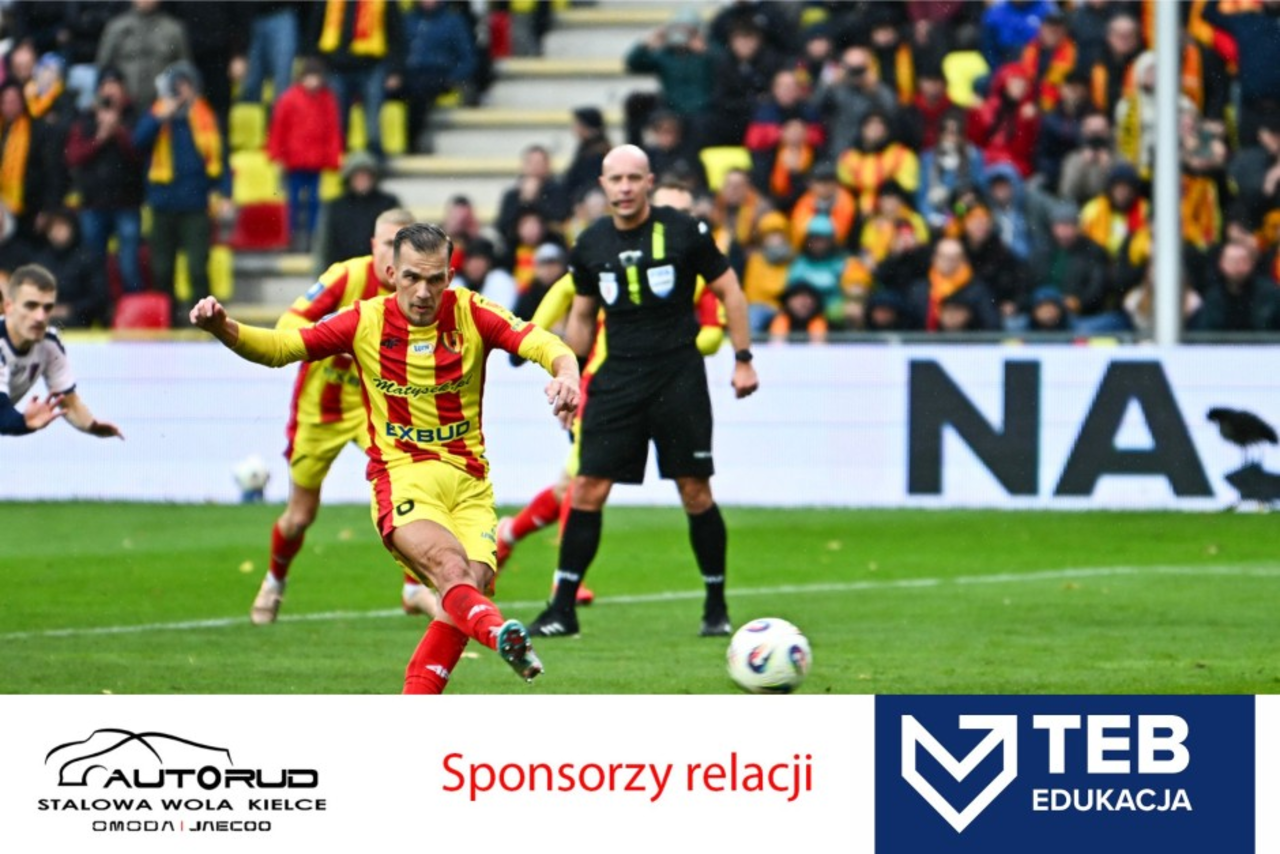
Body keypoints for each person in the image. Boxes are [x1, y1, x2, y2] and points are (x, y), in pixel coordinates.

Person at [191, 222, 581, 692]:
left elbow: (541, 341)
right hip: (404, 477)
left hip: (470, 484)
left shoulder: (472, 312)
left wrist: (566, 373)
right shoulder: (365, 320)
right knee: (450, 571)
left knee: (464, 596)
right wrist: (223, 327)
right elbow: (282, 347)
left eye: (435, 279)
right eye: (413, 277)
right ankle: (498, 633)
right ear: (393, 273)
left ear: (449, 276)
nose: (424, 292)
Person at [527, 145, 758, 639]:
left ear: (649, 181)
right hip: (618, 381)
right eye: (616, 179)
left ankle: (716, 605)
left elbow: (730, 291)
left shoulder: (684, 230)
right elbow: (582, 316)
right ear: (604, 185)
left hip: (678, 378)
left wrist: (743, 358)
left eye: (634, 178)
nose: (626, 187)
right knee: (587, 488)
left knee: (694, 491)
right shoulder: (590, 242)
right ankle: (562, 609)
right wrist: (570, 379)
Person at [497, 182, 727, 588]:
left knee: (574, 482)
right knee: (583, 480)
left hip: (661, 384)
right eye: (671, 209)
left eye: (686, 211)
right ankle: (564, 584)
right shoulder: (615, 253)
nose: (679, 219)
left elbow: (714, 331)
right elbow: (564, 289)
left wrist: (678, 346)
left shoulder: (696, 269)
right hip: (604, 383)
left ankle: (510, 537)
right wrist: (526, 340)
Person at [248, 208, 442, 624]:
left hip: (381, 408)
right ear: (373, 246)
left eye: (402, 246)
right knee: (300, 515)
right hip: (323, 409)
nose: (394, 256)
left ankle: (413, 587)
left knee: (413, 490)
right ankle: (274, 581)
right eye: (387, 244)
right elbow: (289, 322)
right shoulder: (347, 276)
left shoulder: (422, 291)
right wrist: (335, 337)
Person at [133, 61, 230, 326]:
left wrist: (225, 194)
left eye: (185, 86)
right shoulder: (157, 114)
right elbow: (138, 142)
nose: (181, 92)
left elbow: (220, 160)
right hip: (162, 204)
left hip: (196, 205)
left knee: (198, 267)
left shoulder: (205, 117)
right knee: (162, 269)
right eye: (176, 86)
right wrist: (160, 117)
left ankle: (206, 322)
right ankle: (169, 321)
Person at [1, 263, 123, 438]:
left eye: (47, 307)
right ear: (9, 306)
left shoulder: (49, 343)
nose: (40, 317)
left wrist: (92, 426)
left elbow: (68, 401)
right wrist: (23, 423)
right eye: (31, 306)